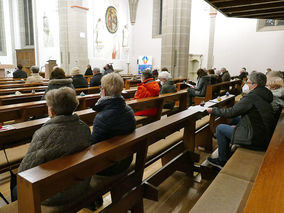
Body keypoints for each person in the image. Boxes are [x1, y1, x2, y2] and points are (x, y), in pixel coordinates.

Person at [14, 87, 91, 207]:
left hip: (53, 195)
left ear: (51, 111)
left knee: (15, 187)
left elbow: (23, 172)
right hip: (80, 183)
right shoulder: (84, 127)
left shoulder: (43, 134)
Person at [206, 72, 275, 169]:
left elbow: (231, 112)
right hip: (263, 134)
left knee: (220, 128)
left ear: (255, 85)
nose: (246, 84)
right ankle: (226, 146)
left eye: (248, 82)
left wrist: (213, 110)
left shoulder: (252, 97)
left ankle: (222, 161)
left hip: (255, 139)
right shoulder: (264, 94)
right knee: (235, 120)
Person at [90, 73, 136, 209]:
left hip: (109, 167)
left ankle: (93, 199)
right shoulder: (128, 110)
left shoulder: (102, 117)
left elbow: (93, 147)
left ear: (103, 91)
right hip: (125, 159)